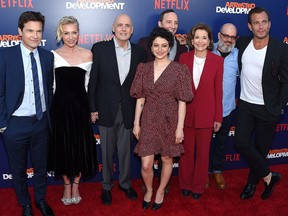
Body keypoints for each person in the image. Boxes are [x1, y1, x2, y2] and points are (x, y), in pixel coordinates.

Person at [130, 27, 193, 210]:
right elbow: (140, 97)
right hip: (149, 118)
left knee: (167, 159)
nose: (159, 49)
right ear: (151, 47)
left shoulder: (180, 70)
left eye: (164, 45)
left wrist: (179, 127)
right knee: (146, 163)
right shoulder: (143, 68)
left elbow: (182, 101)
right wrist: (136, 123)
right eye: (156, 45)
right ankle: (149, 189)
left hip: (170, 118)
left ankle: (161, 191)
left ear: (169, 47)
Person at [88, 14, 146, 205]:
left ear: (132, 30)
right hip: (105, 109)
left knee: (125, 152)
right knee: (106, 152)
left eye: (127, 26)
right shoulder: (100, 49)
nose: (123, 29)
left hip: (128, 109)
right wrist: (92, 108)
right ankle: (106, 186)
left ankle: (125, 184)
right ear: (113, 28)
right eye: (120, 25)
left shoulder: (139, 52)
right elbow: (93, 81)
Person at [0, 11, 54, 216]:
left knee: (41, 167)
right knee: (18, 170)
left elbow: (48, 89)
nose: (35, 35)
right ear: (19, 31)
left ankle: (40, 200)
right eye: (30, 30)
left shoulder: (48, 56)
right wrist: (3, 124)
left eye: (38, 31)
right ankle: (25, 204)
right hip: (15, 124)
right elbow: (0, 91)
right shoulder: (5, 55)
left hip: (40, 122)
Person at [234, 7, 288, 200]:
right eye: (256, 22)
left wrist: (280, 106)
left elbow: (286, 81)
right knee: (240, 142)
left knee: (261, 150)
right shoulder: (243, 43)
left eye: (264, 21)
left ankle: (251, 184)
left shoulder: (280, 48)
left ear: (270, 23)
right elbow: (223, 47)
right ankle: (269, 176)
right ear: (250, 26)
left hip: (269, 108)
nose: (261, 26)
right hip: (246, 105)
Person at [48, 16, 97, 206]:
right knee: (63, 148)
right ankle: (66, 186)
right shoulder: (52, 55)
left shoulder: (88, 55)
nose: (70, 37)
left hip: (80, 109)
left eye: (74, 32)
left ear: (79, 33)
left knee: (79, 148)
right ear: (61, 34)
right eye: (66, 33)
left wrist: (91, 110)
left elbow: (89, 86)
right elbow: (51, 86)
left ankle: (76, 185)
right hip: (60, 109)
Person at [178, 23, 224, 199]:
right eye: (197, 37)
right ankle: (185, 184)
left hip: (207, 114)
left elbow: (218, 90)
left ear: (209, 40)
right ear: (192, 39)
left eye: (204, 37)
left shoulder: (217, 61)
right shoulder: (183, 58)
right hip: (186, 113)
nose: (200, 41)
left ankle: (198, 187)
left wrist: (217, 117)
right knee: (186, 153)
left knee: (203, 154)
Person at [208, 23, 239, 190]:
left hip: (226, 108)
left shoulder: (238, 56)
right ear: (219, 35)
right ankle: (203, 172)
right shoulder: (205, 49)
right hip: (206, 109)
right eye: (226, 36)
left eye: (233, 37)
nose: (229, 40)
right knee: (204, 143)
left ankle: (217, 170)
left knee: (221, 142)